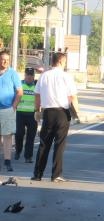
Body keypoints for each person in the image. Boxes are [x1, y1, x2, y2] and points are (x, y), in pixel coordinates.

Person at [32, 52, 79, 182]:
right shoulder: (66, 77)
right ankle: (56, 175)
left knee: (44, 144)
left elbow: (37, 95)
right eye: (64, 62)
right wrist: (77, 113)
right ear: (60, 62)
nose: (65, 64)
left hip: (48, 112)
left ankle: (37, 174)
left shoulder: (44, 76)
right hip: (62, 113)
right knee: (59, 144)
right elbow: (73, 97)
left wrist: (37, 110)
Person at [0, 51, 22, 172]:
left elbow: (19, 91)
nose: (5, 62)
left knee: (7, 136)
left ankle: (7, 161)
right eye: (3, 59)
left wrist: (14, 106)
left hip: (7, 109)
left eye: (7, 60)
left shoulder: (12, 73)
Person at [15, 68, 37, 163]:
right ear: (24, 75)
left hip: (33, 114)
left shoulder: (37, 85)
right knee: (19, 134)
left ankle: (28, 157)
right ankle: (18, 150)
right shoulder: (19, 84)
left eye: (31, 75)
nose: (29, 76)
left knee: (31, 136)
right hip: (20, 113)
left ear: (34, 76)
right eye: (28, 74)